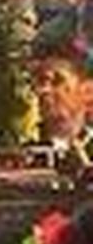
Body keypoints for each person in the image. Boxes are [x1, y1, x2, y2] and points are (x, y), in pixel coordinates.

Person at [30, 13, 93, 169]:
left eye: (57, 81)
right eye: (40, 81)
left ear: (87, 91)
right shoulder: (25, 155)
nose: (43, 90)